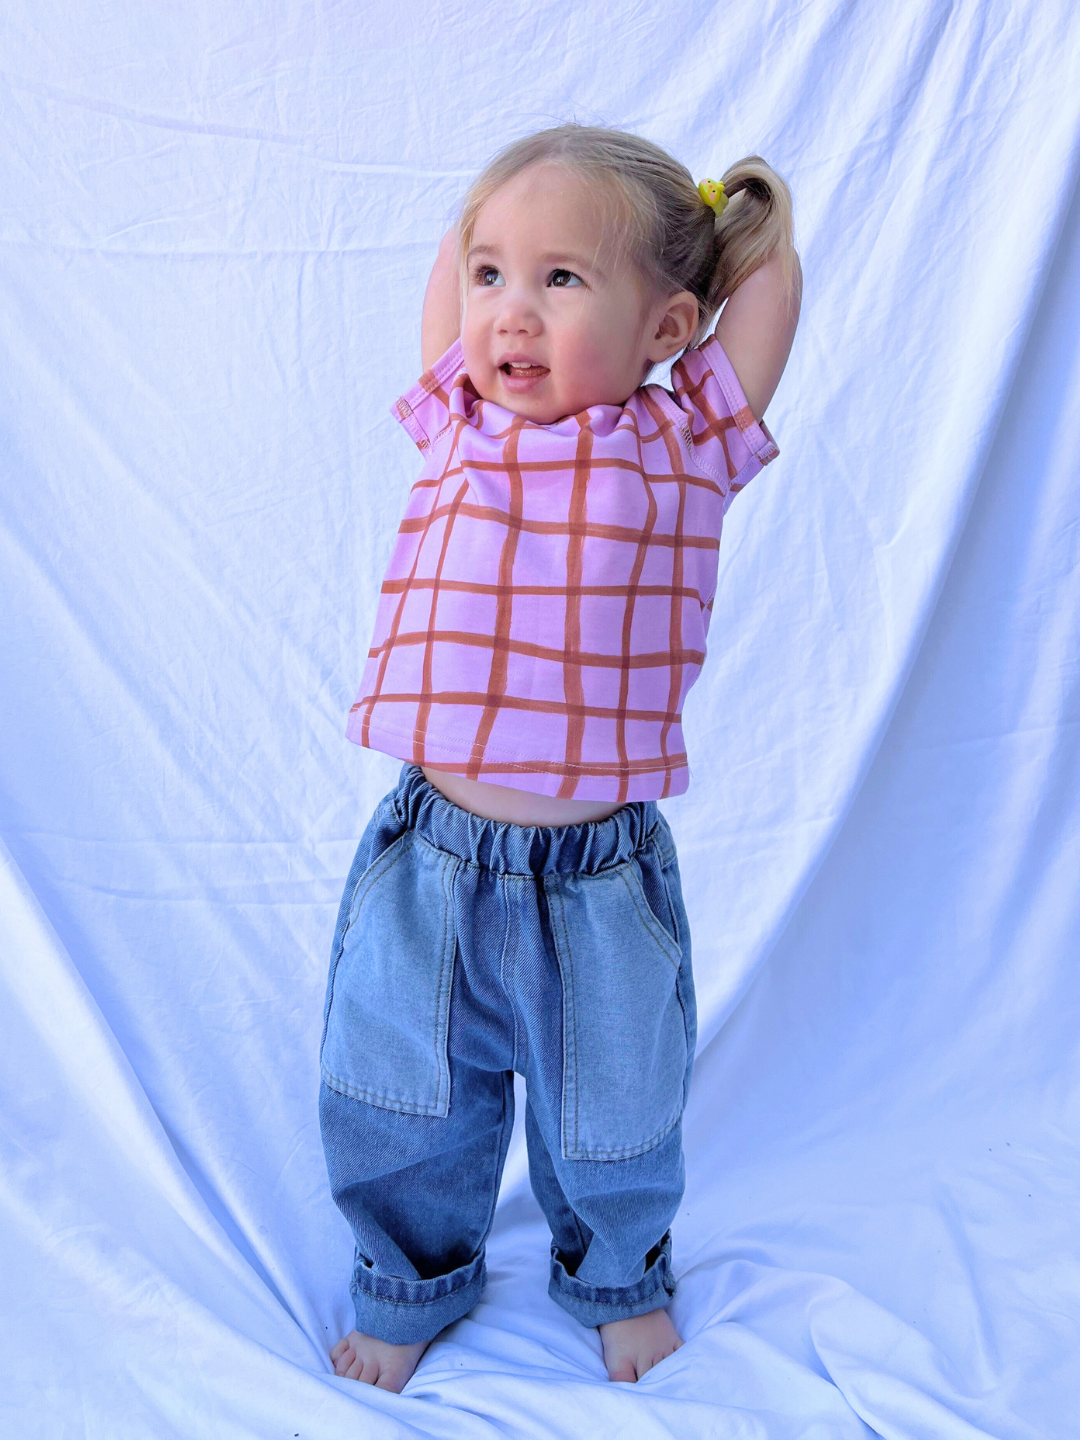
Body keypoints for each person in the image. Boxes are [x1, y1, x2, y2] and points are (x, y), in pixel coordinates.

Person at [319, 123, 801, 1392]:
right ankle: (410, 1276)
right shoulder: (459, 424)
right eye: (492, 276)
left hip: (599, 878)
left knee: (615, 1107)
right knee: (401, 1093)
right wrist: (491, 228)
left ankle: (618, 1274)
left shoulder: (682, 443)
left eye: (562, 280)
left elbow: (761, 315)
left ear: (667, 328)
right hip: (431, 856)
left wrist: (752, 214)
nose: (510, 313)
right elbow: (460, 282)